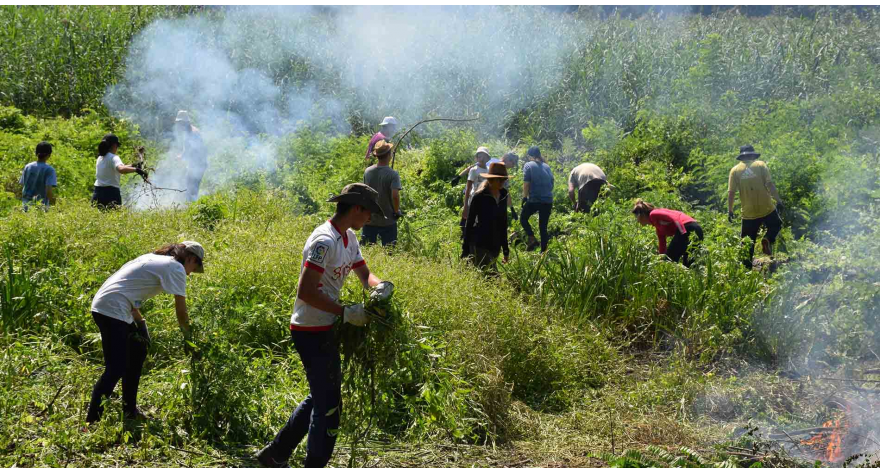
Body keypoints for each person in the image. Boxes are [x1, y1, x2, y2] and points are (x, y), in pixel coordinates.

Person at [257, 183, 394, 469]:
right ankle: (314, 465)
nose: (370, 218)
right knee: (329, 406)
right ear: (356, 208)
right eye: (368, 211)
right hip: (309, 329)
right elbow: (305, 292)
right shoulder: (325, 241)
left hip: (326, 326)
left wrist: (379, 287)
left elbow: (363, 273)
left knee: (321, 395)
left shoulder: (349, 238)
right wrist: (346, 312)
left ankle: (274, 454)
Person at [85, 241, 205, 424]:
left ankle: (129, 410)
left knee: (138, 351)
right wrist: (188, 339)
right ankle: (92, 421)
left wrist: (141, 324)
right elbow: (181, 311)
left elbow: (127, 290)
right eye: (194, 267)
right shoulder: (176, 268)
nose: (190, 273)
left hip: (109, 305)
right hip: (112, 309)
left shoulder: (151, 258)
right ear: (191, 258)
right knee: (116, 367)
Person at [727, 145, 784, 268]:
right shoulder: (760, 165)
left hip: (749, 212)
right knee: (776, 225)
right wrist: (778, 200)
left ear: (742, 156)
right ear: (753, 155)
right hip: (767, 207)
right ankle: (767, 238)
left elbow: (731, 193)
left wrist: (730, 210)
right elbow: (770, 184)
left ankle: (746, 270)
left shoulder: (735, 170)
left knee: (747, 243)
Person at [463, 162, 510, 274]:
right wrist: (465, 249)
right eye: (499, 180)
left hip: (495, 243)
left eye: (504, 179)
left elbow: (503, 222)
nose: (502, 182)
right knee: (492, 277)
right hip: (480, 242)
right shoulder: (479, 196)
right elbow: (469, 222)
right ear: (491, 180)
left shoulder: (504, 194)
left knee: (484, 277)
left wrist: (506, 250)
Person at [632, 199, 704, 267]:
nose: (637, 220)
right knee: (689, 264)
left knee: (670, 260)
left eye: (636, 216)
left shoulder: (653, 214)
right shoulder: (658, 227)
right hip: (696, 229)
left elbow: (675, 217)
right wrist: (661, 261)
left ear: (642, 214)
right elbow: (662, 245)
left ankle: (668, 277)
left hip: (688, 227)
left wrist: (683, 232)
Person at [361, 140, 402, 246]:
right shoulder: (393, 174)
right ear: (389, 155)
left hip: (369, 219)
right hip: (388, 221)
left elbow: (365, 193)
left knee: (367, 250)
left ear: (377, 156)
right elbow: (395, 196)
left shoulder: (368, 171)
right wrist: (396, 211)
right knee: (390, 251)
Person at [91, 134, 147, 209]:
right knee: (113, 218)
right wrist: (137, 170)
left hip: (97, 193)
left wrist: (134, 165)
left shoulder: (100, 157)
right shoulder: (114, 157)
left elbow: (118, 167)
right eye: (117, 146)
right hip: (111, 193)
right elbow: (121, 169)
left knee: (97, 218)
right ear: (114, 145)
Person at [520, 146, 555, 252]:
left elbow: (526, 184)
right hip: (548, 200)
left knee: (523, 218)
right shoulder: (546, 166)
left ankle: (532, 238)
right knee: (543, 227)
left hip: (535, 200)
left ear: (530, 156)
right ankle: (543, 252)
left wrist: (525, 197)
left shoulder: (528, 165)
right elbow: (552, 183)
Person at [174, 111, 208, 202]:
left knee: (192, 188)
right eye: (178, 123)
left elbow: (196, 150)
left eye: (181, 123)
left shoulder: (193, 133)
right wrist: (181, 156)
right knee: (188, 185)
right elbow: (187, 148)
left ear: (186, 122)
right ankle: (191, 206)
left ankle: (193, 208)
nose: (179, 125)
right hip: (194, 164)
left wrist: (185, 157)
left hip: (198, 164)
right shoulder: (187, 132)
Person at [19, 141, 57, 211]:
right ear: (49, 155)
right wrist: (54, 205)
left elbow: (23, 185)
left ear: (36, 153)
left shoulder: (28, 166)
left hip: (26, 205)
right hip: (41, 207)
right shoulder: (50, 170)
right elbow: (49, 191)